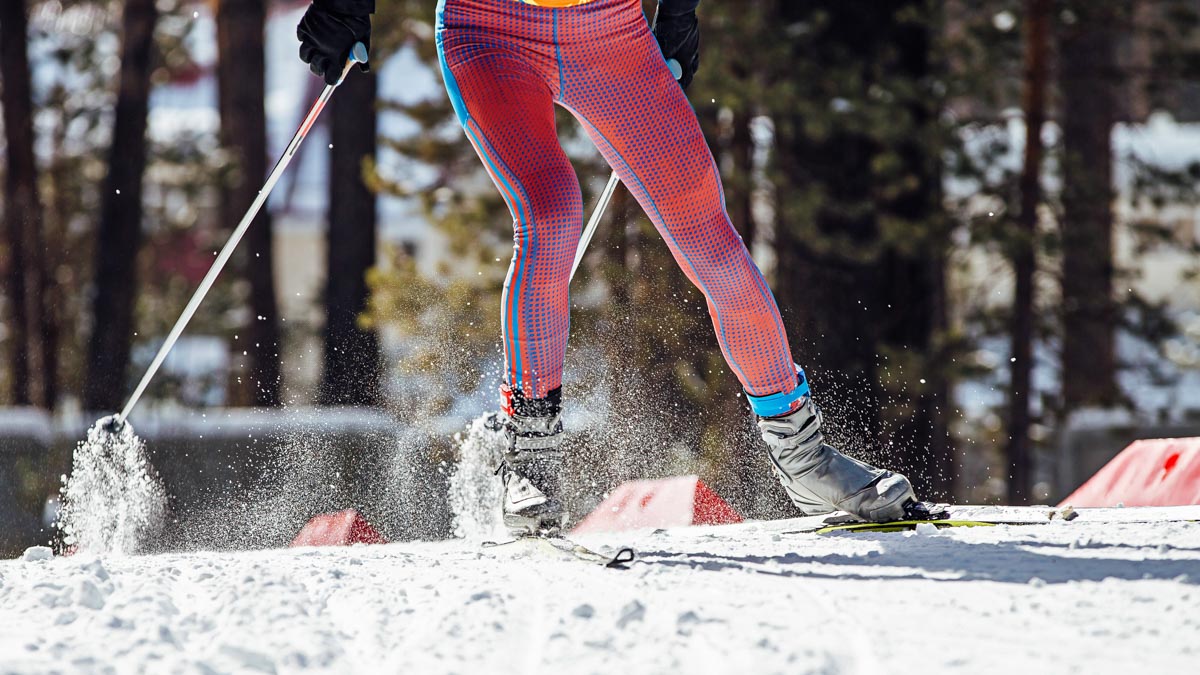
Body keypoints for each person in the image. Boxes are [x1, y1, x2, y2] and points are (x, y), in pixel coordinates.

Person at [297, 0, 927, 535]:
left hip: (610, 31)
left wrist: (678, 12)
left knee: (709, 236)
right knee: (550, 215)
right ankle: (527, 458)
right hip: (487, 27)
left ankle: (804, 457)